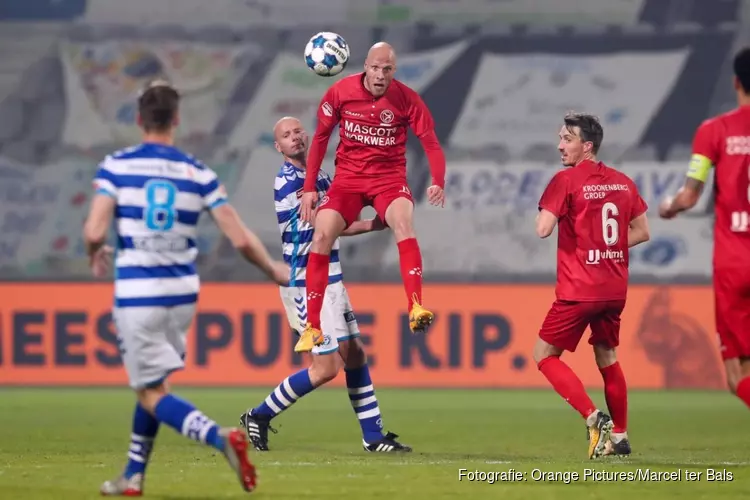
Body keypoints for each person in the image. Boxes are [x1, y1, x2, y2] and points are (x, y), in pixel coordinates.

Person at [84, 80, 289, 496]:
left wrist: (94, 251)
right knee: (158, 384)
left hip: (139, 291)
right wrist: (272, 270)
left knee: (150, 393)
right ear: (176, 120)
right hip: (182, 293)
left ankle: (220, 438)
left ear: (140, 119)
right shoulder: (198, 172)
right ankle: (133, 476)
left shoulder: (117, 166)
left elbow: (94, 228)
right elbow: (240, 239)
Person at [239, 116, 412, 453]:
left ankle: (373, 437)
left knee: (356, 355)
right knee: (325, 368)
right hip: (305, 281)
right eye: (286, 136)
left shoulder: (318, 176)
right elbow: (324, 224)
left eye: (298, 131)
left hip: (330, 277)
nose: (294, 138)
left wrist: (372, 220)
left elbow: (335, 221)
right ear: (278, 147)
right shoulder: (289, 183)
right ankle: (259, 415)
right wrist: (370, 223)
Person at [294, 41, 447, 353]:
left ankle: (416, 307)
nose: (380, 75)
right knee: (321, 235)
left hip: (388, 181)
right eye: (375, 68)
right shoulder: (340, 92)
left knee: (403, 223)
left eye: (387, 69)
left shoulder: (407, 99)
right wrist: (310, 188)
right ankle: (312, 327)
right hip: (347, 182)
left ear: (394, 71)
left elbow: (430, 142)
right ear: (365, 66)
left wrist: (438, 180)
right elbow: (321, 138)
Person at [533, 112, 650, 459]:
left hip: (579, 289)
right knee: (607, 356)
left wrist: (558, 220)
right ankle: (621, 435)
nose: (559, 145)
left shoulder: (565, 180)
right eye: (560, 138)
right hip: (614, 290)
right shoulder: (623, 182)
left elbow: (542, 229)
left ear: (587, 146)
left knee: (543, 355)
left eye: (567, 139)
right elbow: (643, 232)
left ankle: (593, 416)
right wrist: (604, 245)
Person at [659, 47, 750, 410]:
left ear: (735, 82)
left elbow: (690, 196)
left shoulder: (715, 131)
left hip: (734, 264)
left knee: (737, 375)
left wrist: (669, 207)